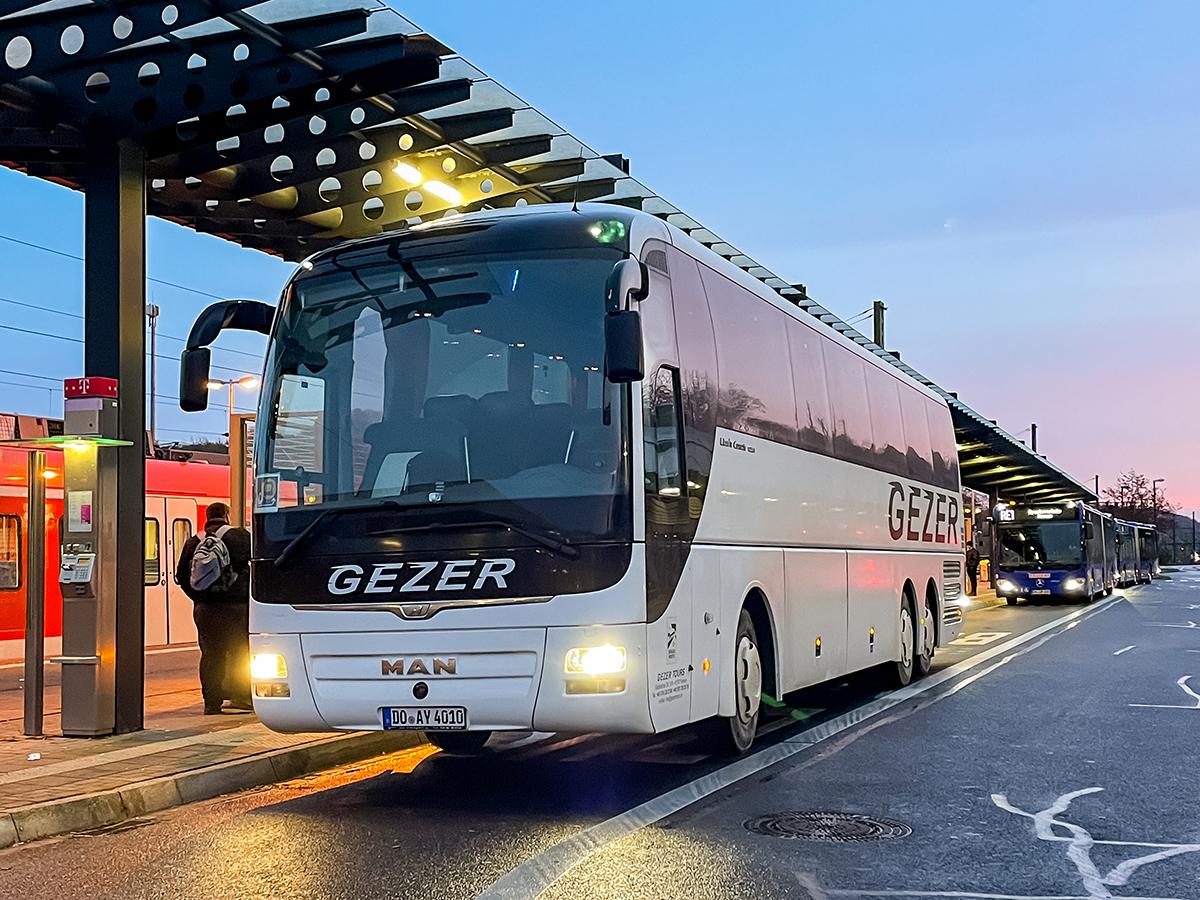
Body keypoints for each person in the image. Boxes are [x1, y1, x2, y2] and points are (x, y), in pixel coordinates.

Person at [177, 502, 252, 714]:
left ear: (207, 517)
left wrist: (199, 598)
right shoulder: (240, 537)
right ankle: (241, 697)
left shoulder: (194, 541)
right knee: (240, 653)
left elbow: (181, 575)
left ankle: (211, 703)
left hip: (205, 609)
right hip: (237, 607)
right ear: (227, 516)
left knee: (210, 654)